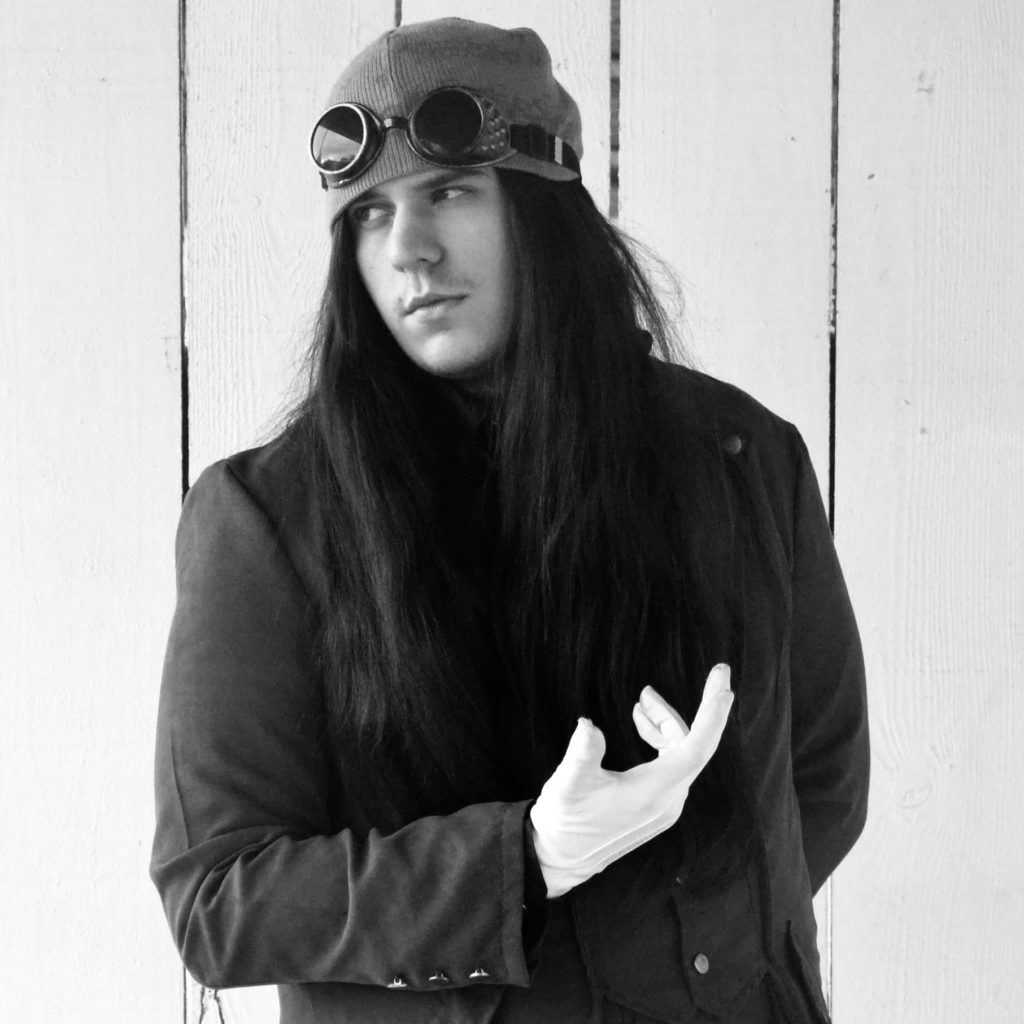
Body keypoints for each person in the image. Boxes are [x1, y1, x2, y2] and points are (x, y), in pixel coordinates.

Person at [150, 17, 869, 1024]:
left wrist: (691, 946)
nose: (408, 250)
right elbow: (220, 902)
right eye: (370, 214)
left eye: (449, 192)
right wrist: (523, 862)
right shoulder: (270, 519)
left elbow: (819, 783)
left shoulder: (741, 458)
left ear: (541, 210)